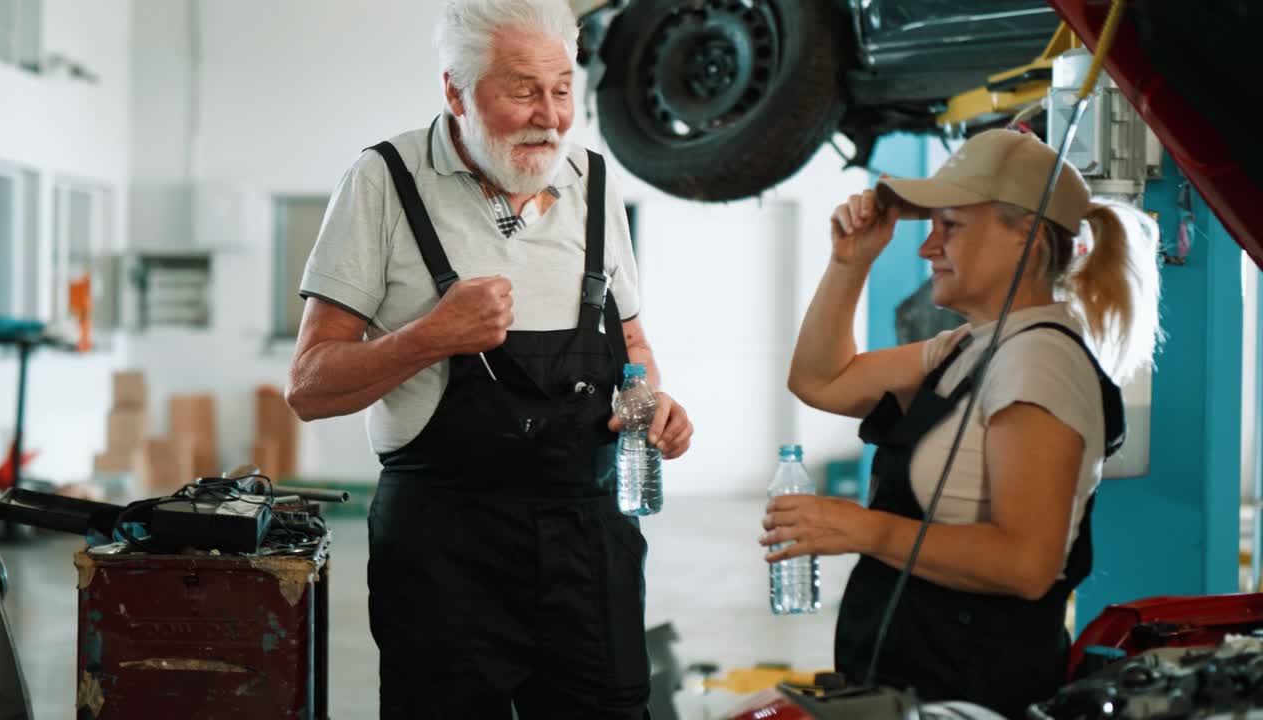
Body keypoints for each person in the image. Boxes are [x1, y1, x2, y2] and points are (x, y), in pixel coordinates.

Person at [284, 1, 692, 717]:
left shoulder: (596, 185)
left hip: (589, 542)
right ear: (455, 90)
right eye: (522, 90)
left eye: (562, 89)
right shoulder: (383, 182)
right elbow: (310, 387)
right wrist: (432, 335)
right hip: (446, 547)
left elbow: (632, 349)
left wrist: (649, 407)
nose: (550, 116)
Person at [760, 129, 1162, 717]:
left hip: (976, 696)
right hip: (921, 681)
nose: (928, 249)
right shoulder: (970, 348)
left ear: (1025, 235)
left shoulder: (1039, 361)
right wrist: (850, 264)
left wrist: (863, 530)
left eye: (950, 226)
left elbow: (1028, 565)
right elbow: (821, 380)